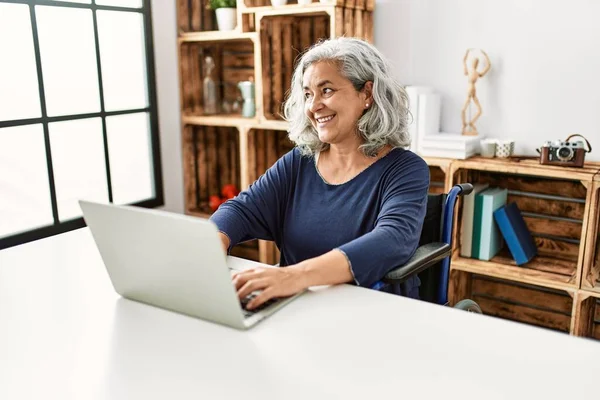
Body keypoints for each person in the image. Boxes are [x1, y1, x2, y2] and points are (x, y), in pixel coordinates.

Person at [210, 37, 429, 310]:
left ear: (367, 94)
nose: (313, 106)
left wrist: (291, 276)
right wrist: (212, 246)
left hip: (370, 315)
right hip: (295, 309)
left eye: (326, 90)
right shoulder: (298, 162)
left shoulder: (406, 170)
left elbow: (392, 239)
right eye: (307, 94)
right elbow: (241, 210)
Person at [461, 48, 491, 135]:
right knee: (464, 109)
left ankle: (471, 122)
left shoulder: (476, 73)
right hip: (470, 90)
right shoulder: (470, 72)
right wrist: (467, 52)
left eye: (477, 62)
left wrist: (486, 55)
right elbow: (464, 61)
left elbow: (488, 66)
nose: (476, 63)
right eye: (475, 62)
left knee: (479, 110)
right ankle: (464, 124)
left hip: (474, 91)